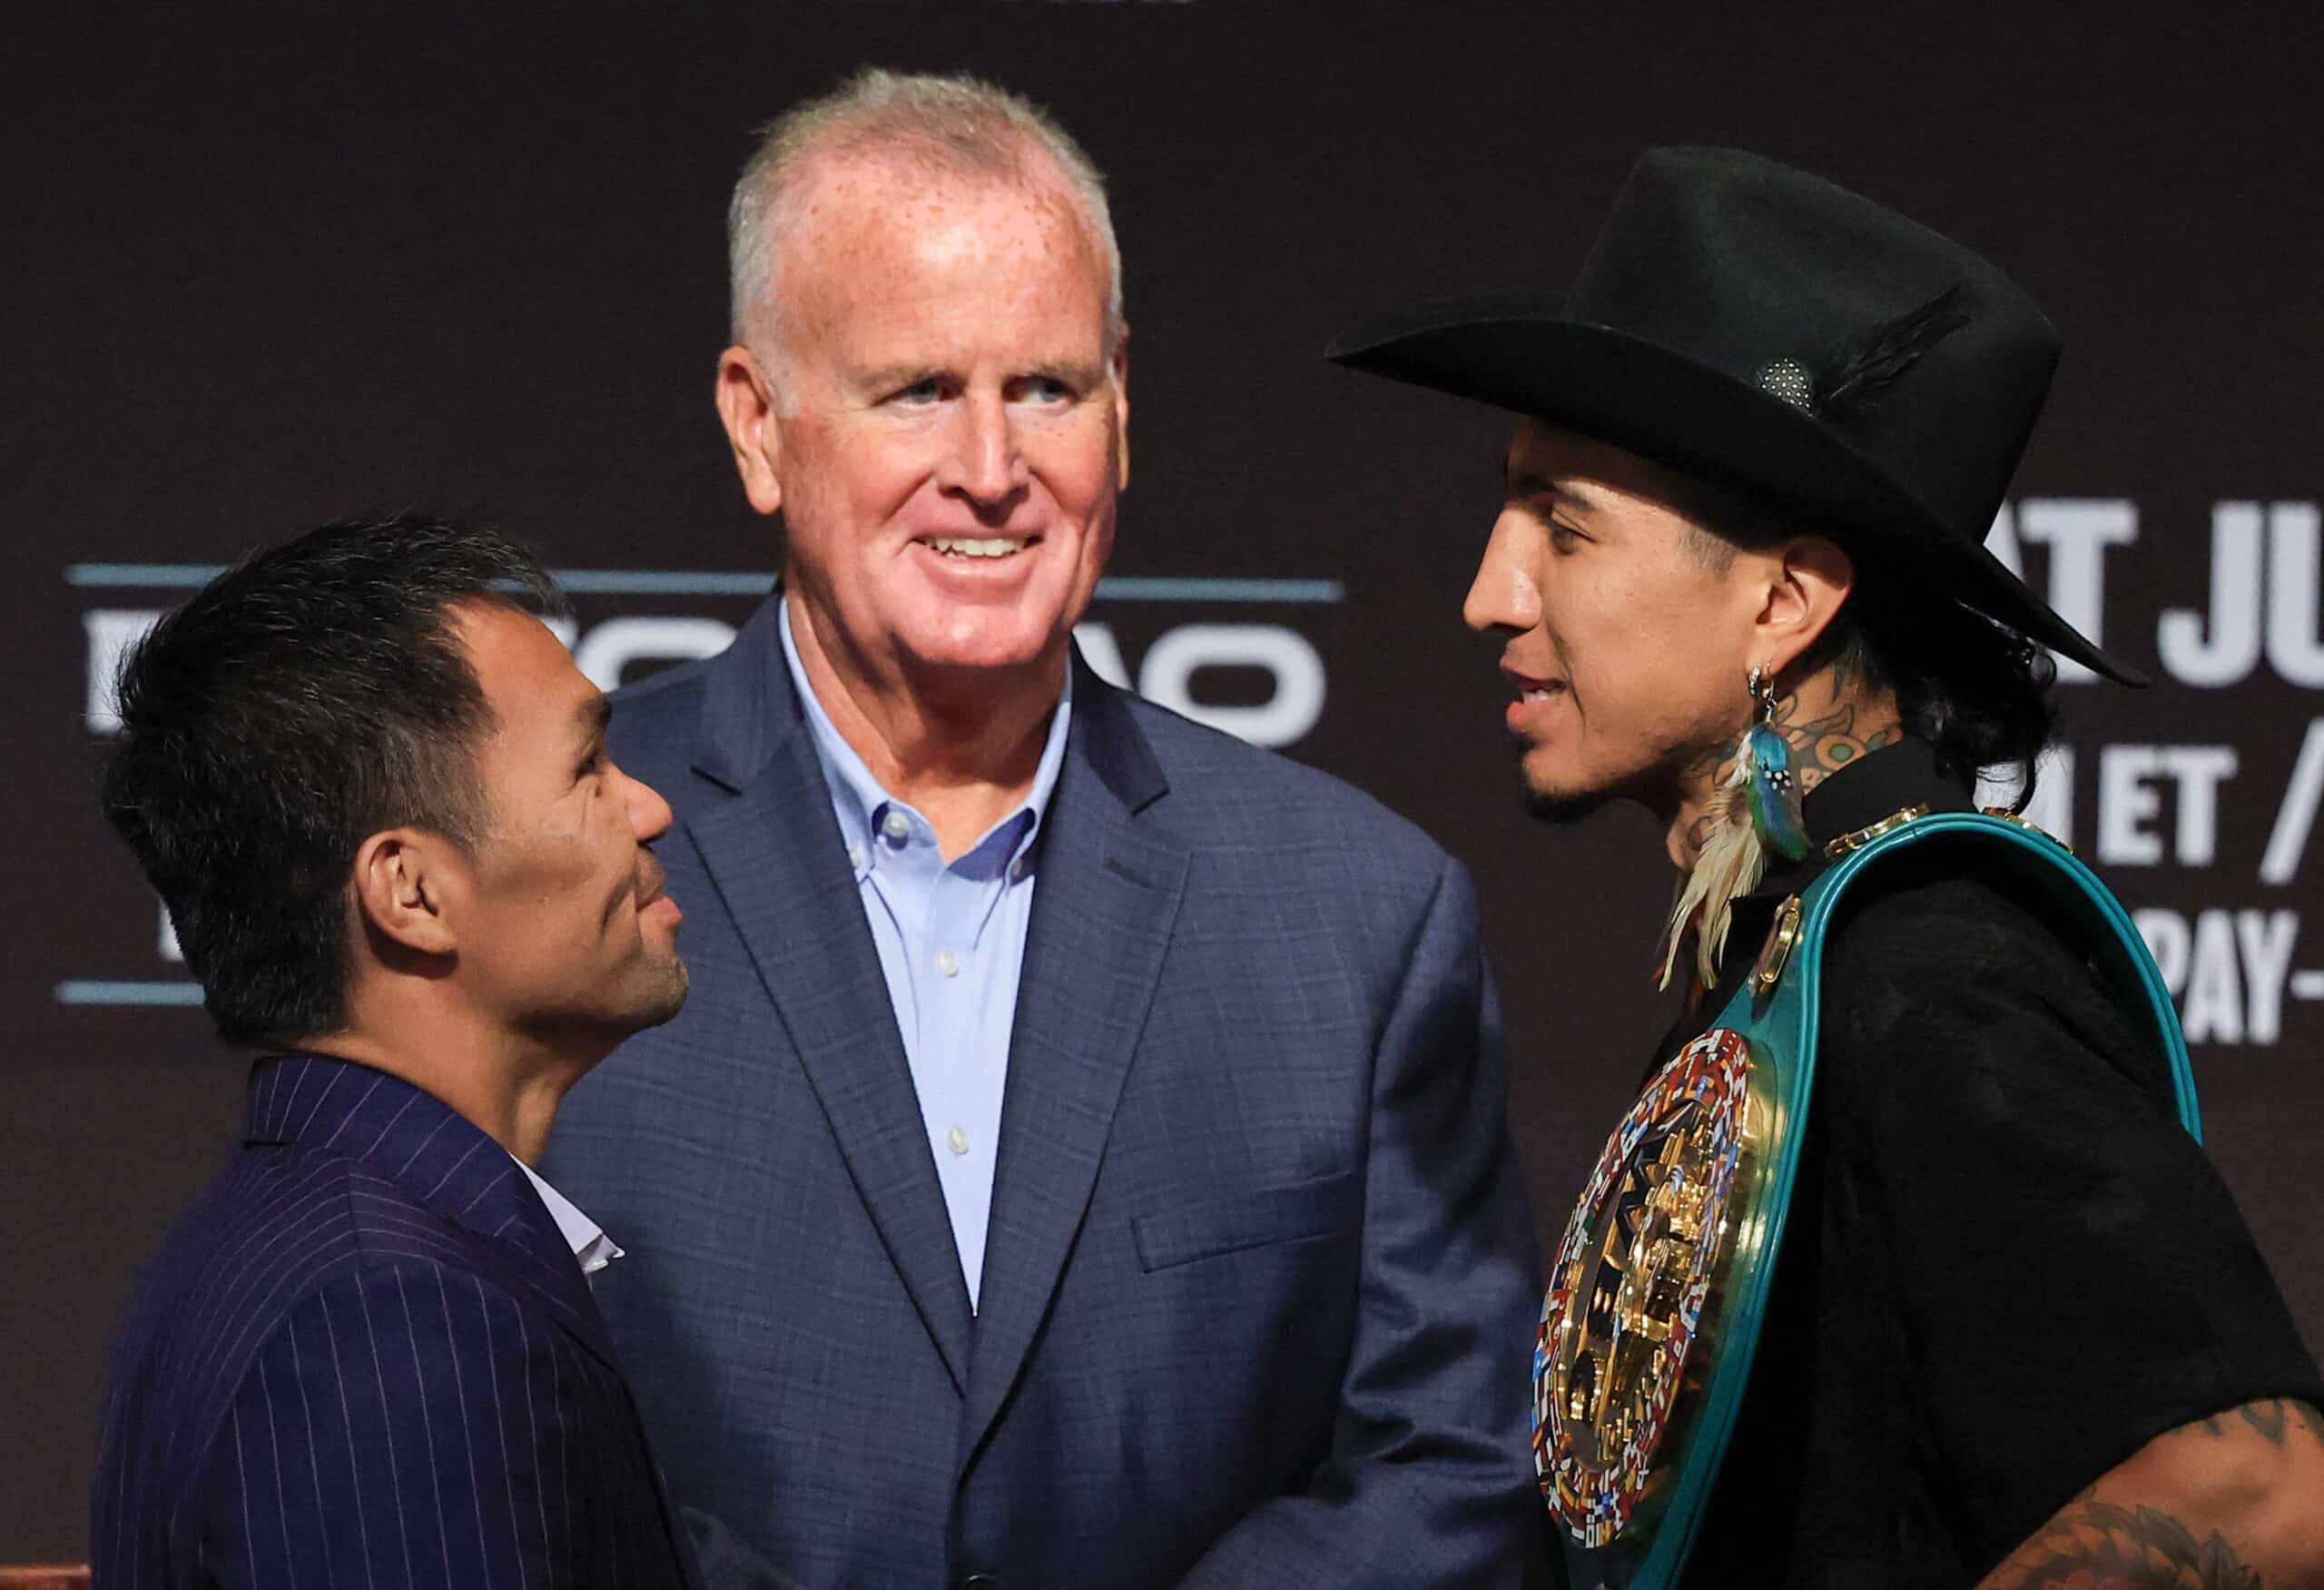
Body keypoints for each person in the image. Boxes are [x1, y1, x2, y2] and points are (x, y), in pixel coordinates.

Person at [541, 68, 1545, 1587]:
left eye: (1050, 389)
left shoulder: (1358, 914)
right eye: (919, 390)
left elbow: (1451, 1459)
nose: (994, 470)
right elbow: (452, 1412)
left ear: (1123, 408)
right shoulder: (553, 858)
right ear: (759, 424)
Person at [1329, 147, 2324, 1587]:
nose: (1491, 592)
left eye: (1564, 523)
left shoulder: (1933, 967)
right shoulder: (1806, 948)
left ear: (1785, 598)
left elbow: (2259, 1488)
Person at [92, 514, 696, 1587]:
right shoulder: (393, 1317)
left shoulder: (325, 1241)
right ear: (411, 892)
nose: (647, 808)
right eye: (588, 765)